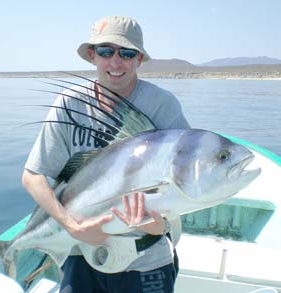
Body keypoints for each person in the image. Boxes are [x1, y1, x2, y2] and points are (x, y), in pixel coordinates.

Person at [22, 16, 190, 293]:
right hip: (80, 254)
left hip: (145, 258)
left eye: (126, 53)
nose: (116, 62)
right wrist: (72, 226)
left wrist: (153, 224)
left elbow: (176, 195)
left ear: (139, 59)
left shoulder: (162, 105)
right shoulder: (69, 104)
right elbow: (33, 176)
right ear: (92, 55)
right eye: (105, 51)